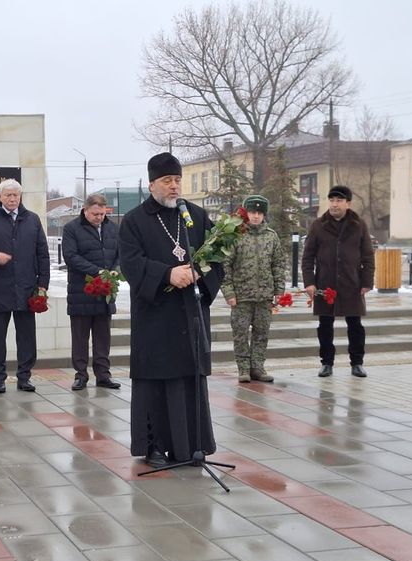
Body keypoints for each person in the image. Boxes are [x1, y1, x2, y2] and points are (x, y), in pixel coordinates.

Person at [118, 152, 224, 468]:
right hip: (155, 316)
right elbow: (130, 263)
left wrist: (198, 272)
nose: (174, 186)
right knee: (156, 381)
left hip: (189, 314)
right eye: (167, 181)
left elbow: (217, 257)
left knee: (189, 380)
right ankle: (155, 447)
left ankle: (192, 446)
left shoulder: (197, 216)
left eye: (177, 180)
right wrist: (167, 274)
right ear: (152, 184)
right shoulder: (134, 221)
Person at [0, 178, 50, 393]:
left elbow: (42, 253)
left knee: (26, 336)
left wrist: (43, 284)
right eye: (8, 195)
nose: (12, 198)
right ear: (0, 197)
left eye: (15, 195)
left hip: (26, 288)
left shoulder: (32, 220)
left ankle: (24, 376)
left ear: (20, 196)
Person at [302, 185, 375, 378]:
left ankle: (357, 363)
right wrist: (309, 282)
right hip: (325, 283)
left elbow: (368, 255)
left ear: (348, 203)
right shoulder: (318, 225)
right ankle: (326, 363)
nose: (334, 204)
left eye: (339, 201)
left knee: (355, 325)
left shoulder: (359, 225)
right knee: (325, 325)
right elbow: (307, 257)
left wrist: (367, 281)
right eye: (332, 200)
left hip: (352, 283)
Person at [222, 195, 287, 383]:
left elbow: (278, 264)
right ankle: (243, 368)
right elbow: (226, 265)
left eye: (259, 213)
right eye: (252, 212)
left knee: (261, 333)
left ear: (264, 215)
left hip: (264, 296)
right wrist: (229, 292)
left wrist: (279, 290)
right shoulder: (236, 235)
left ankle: (257, 367)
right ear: (246, 213)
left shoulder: (271, 236)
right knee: (240, 333)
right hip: (241, 296)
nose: (256, 216)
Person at [62, 193, 121, 391]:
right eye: (95, 214)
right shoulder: (71, 228)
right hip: (81, 291)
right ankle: (81, 375)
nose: (99, 218)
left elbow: (121, 254)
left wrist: (115, 271)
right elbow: (70, 256)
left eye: (102, 214)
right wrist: (97, 272)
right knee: (80, 337)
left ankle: (103, 374)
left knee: (103, 337)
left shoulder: (113, 228)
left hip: (105, 292)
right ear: (85, 210)